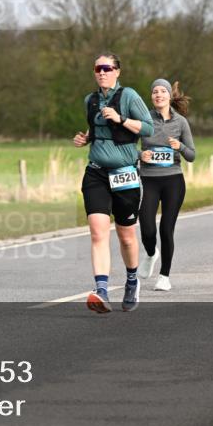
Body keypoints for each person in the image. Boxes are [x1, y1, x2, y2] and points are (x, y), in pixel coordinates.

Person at [73, 53, 154, 313]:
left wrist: (121, 119)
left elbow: (149, 128)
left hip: (125, 172)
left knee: (127, 236)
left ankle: (132, 280)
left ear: (117, 71)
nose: (102, 72)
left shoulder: (128, 96)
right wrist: (85, 138)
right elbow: (96, 131)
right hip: (96, 172)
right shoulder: (91, 99)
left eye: (107, 68)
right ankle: (102, 290)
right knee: (98, 232)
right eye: (98, 68)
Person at [136, 79, 195, 291]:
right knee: (147, 228)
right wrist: (140, 154)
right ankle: (151, 253)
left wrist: (179, 146)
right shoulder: (143, 120)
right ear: (151, 97)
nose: (158, 95)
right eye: (154, 92)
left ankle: (164, 276)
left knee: (166, 228)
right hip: (148, 179)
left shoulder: (181, 123)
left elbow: (192, 155)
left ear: (169, 96)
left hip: (173, 180)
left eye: (162, 91)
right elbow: (127, 147)